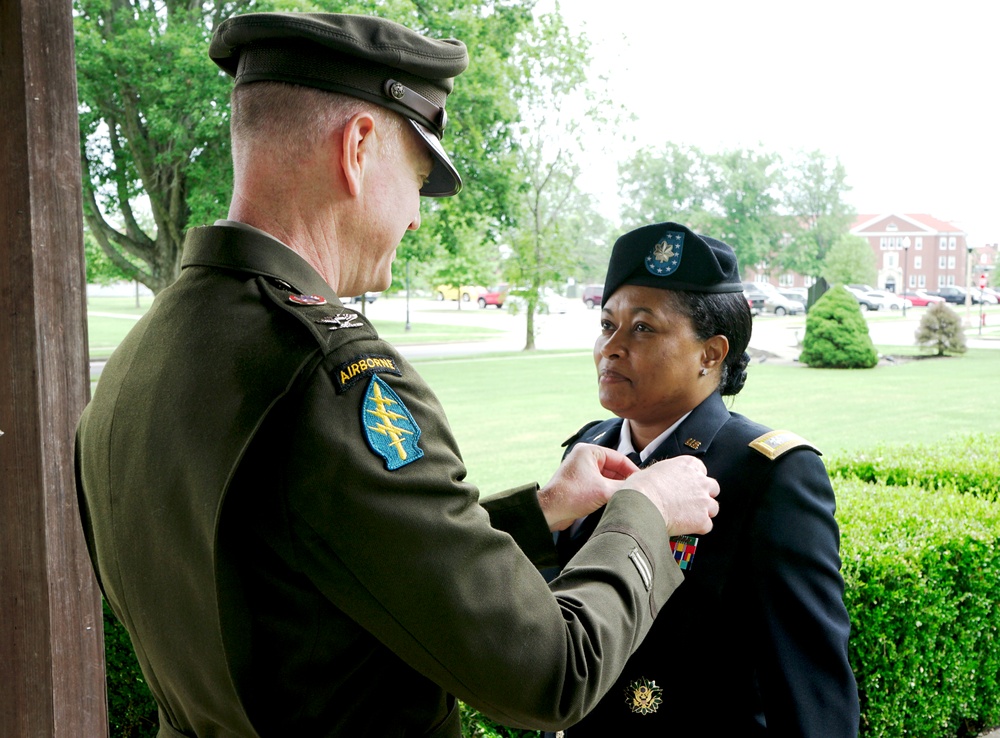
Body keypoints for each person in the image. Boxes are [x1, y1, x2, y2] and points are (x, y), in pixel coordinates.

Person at [74, 14, 721, 738]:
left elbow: (311, 567)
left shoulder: (142, 357)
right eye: (417, 180)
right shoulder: (330, 377)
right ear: (356, 149)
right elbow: (549, 674)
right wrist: (647, 514)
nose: (415, 217)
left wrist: (540, 510)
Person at [545, 222, 860, 737]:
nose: (612, 347)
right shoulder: (590, 449)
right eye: (607, 325)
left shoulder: (770, 475)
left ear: (711, 354)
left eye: (642, 328)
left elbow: (811, 692)